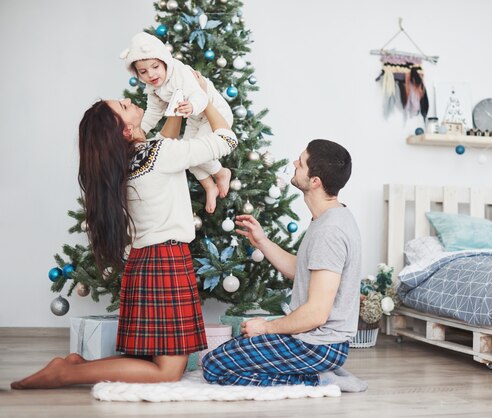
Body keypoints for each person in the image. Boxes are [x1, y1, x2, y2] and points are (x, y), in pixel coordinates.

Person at [11, 74, 237, 390]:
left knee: (158, 364)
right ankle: (66, 374)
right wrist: (206, 97)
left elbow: (164, 139)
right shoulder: (157, 157)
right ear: (126, 130)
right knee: (168, 372)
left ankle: (77, 365)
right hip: (165, 261)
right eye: (124, 106)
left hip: (146, 261)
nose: (130, 101)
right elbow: (226, 140)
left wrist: (176, 103)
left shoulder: (129, 161)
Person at [201, 139, 367, 392]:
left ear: (315, 182)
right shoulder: (329, 218)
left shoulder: (330, 231)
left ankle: (321, 380)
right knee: (235, 350)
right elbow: (300, 271)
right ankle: (321, 371)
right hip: (316, 339)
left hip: (318, 344)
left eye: (300, 164)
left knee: (214, 365)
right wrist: (262, 242)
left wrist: (266, 327)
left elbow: (316, 314)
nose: (293, 164)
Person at [121, 32, 235, 214]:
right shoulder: (153, 88)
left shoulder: (180, 73)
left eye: (155, 66)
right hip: (193, 119)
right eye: (143, 72)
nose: (151, 74)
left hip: (212, 113)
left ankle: (221, 173)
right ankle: (209, 186)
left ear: (165, 61)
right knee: (187, 155)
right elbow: (153, 112)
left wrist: (192, 105)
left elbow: (199, 93)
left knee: (200, 153)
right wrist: (138, 131)